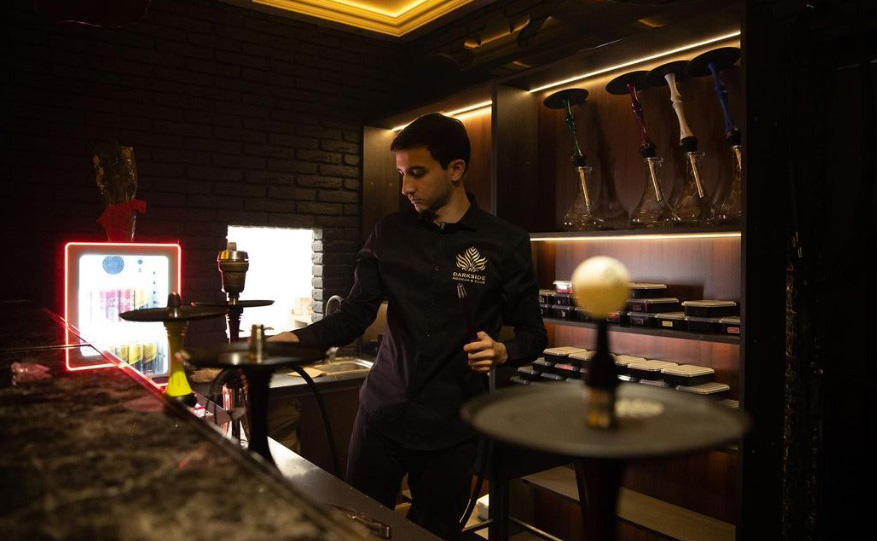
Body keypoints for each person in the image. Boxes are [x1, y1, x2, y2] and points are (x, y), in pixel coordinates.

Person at [270, 113, 546, 539]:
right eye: (401, 174)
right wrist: (284, 343)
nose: (406, 188)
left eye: (417, 173)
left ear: (456, 169)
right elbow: (353, 316)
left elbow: (534, 334)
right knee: (358, 529)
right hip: (381, 415)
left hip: (452, 427)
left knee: (433, 534)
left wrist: (504, 351)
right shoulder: (389, 233)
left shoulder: (504, 242)